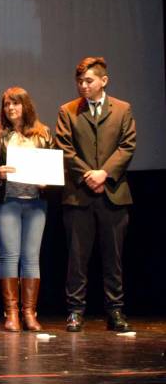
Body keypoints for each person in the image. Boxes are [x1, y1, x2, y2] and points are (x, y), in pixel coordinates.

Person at [55, 57, 136, 332]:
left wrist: (105, 173)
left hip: (113, 193)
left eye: (88, 80)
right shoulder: (68, 111)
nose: (83, 86)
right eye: (79, 81)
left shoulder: (122, 109)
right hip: (79, 195)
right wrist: (89, 174)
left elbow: (127, 146)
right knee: (77, 258)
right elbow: (64, 148)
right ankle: (75, 311)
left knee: (113, 258)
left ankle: (115, 311)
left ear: (104, 80)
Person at [0, 87, 52, 332]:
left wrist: (47, 180)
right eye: (7, 104)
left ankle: (29, 313)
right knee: (9, 256)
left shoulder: (43, 134)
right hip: (7, 201)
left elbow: (55, 169)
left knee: (31, 258)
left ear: (26, 106)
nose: (11, 108)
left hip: (35, 202)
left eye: (16, 104)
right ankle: (11, 313)